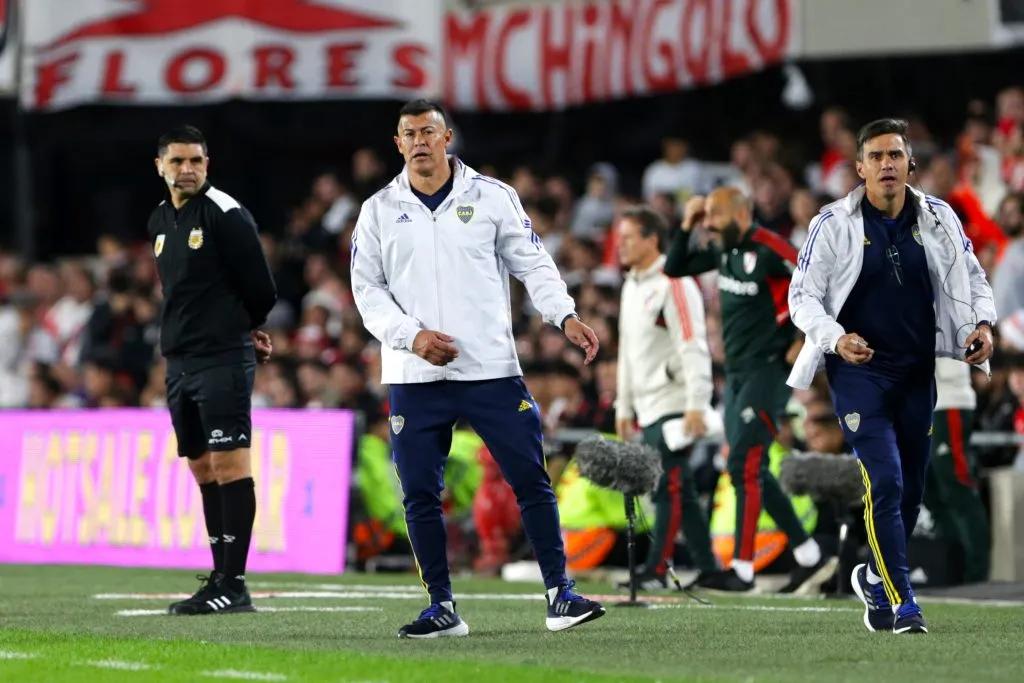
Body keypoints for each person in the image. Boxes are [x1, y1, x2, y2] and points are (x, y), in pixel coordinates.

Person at [349, 99, 606, 639]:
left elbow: (532, 262)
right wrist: (411, 338)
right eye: (408, 133)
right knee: (419, 493)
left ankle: (561, 593)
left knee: (531, 479)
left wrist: (565, 315)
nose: (419, 140)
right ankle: (441, 606)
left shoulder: (492, 197)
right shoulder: (377, 209)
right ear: (397, 144)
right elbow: (366, 291)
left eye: (428, 131)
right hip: (414, 375)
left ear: (447, 139)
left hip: (489, 367)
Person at [787, 118, 996, 634]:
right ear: (859, 168)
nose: (886, 164)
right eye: (876, 156)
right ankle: (905, 600)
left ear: (909, 165)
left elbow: (973, 276)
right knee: (885, 478)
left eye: (895, 156)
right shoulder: (832, 224)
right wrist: (835, 337)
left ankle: (875, 580)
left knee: (911, 490)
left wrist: (984, 322)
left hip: (917, 369)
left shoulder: (940, 218)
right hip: (860, 371)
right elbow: (801, 297)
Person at [663, 187, 837, 594]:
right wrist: (686, 225)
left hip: (768, 372)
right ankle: (810, 554)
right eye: (704, 219)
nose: (708, 225)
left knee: (742, 464)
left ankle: (742, 569)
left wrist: (803, 335)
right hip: (737, 374)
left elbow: (819, 282)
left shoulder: (771, 247)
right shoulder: (725, 248)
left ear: (742, 214)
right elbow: (675, 267)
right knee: (749, 467)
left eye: (714, 217)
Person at [148, 125, 277, 615]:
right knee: (202, 466)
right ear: (159, 165)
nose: (187, 170)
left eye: (196, 161)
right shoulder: (158, 220)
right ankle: (220, 576)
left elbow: (261, 287)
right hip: (180, 360)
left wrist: (243, 328)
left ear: (207, 163)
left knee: (230, 463)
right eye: (178, 161)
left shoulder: (225, 214)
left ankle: (233, 582)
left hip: (222, 356)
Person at [612, 205, 723, 590]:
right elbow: (626, 350)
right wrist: (623, 406)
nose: (619, 244)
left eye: (627, 237)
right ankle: (709, 567)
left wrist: (697, 402)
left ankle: (657, 569)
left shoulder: (674, 281)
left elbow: (693, 343)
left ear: (651, 238)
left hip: (674, 402)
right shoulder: (632, 285)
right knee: (680, 489)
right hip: (647, 403)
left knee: (666, 486)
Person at [927, 358, 990, 584]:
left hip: (949, 402)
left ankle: (975, 571)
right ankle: (952, 564)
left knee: (958, 486)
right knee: (930, 490)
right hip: (927, 405)